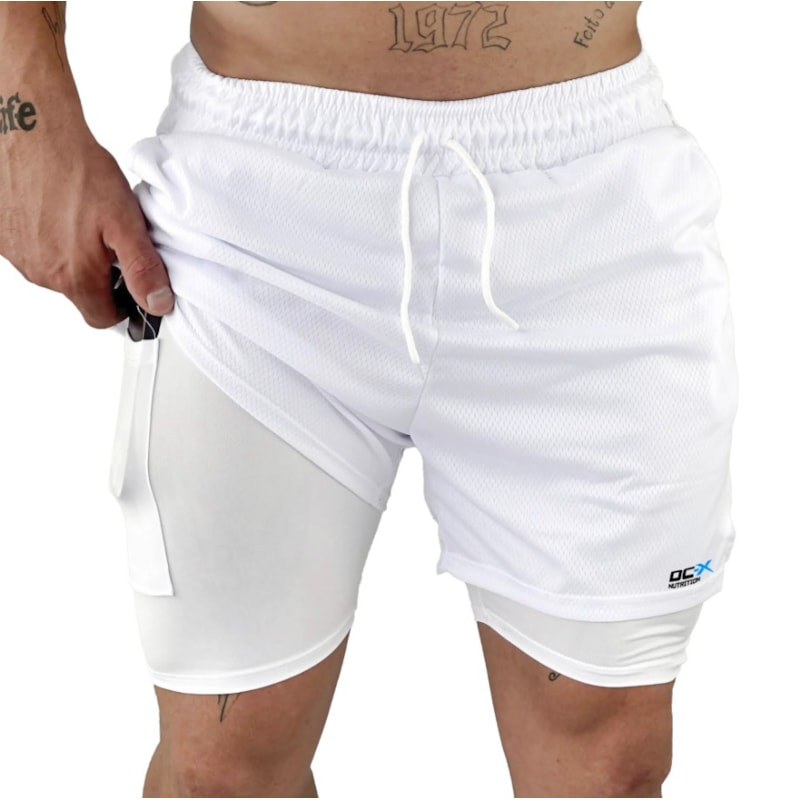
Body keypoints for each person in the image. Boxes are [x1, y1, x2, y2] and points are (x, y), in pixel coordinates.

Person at [0, 2, 739, 797]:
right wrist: (22, 122)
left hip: (591, 214)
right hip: (256, 205)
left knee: (611, 759)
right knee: (223, 771)